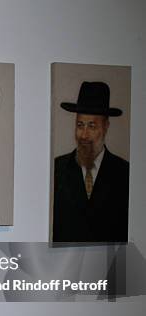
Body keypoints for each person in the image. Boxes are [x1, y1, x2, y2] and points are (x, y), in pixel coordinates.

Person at [53, 81, 129, 243]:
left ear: (106, 126)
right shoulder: (57, 169)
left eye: (92, 126)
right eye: (80, 125)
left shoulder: (125, 173)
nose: (84, 135)